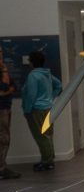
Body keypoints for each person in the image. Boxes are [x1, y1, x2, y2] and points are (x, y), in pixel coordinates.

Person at [22, 49, 61, 171]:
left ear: (32, 62)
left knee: (41, 136)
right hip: (48, 108)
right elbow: (59, 85)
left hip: (36, 110)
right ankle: (48, 159)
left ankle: (47, 161)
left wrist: (27, 110)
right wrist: (51, 97)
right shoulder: (47, 74)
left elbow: (31, 95)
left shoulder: (33, 76)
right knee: (48, 135)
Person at [0, 50, 19, 180]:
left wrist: (6, 91)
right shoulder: (2, 70)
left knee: (5, 137)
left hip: (6, 108)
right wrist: (4, 70)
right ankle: (1, 168)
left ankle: (2, 166)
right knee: (3, 138)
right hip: (1, 109)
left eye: (1, 52)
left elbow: (13, 87)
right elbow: (5, 87)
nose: (0, 54)